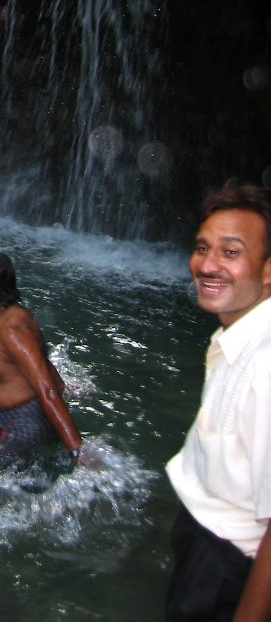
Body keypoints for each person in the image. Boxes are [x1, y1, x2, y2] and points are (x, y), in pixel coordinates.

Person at [165, 181, 271, 622]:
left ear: (268, 270)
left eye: (231, 252)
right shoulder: (240, 336)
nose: (207, 265)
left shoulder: (266, 368)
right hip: (206, 545)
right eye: (202, 248)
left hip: (226, 567)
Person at [0, 248, 83, 471]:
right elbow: (42, 365)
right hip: (11, 422)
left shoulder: (13, 329)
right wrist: (66, 387)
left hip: (21, 427)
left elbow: (46, 392)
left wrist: (77, 451)